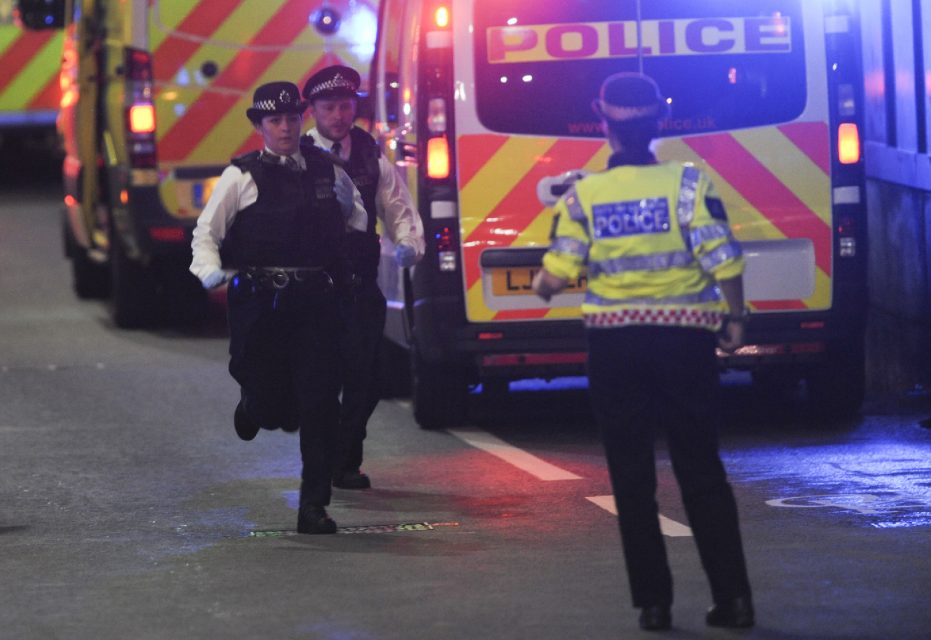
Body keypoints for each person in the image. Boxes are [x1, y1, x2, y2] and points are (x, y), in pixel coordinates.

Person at [532, 72, 754, 631]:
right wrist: (734, 317)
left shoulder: (586, 193)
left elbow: (556, 276)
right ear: (660, 122)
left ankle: (654, 606)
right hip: (686, 343)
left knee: (631, 476)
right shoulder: (688, 184)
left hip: (615, 348)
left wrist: (544, 281)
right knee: (701, 467)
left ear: (603, 122)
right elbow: (723, 258)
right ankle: (734, 601)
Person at [190, 81, 368, 535]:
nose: (286, 127)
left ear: (302, 119)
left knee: (320, 402)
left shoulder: (328, 171)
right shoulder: (242, 176)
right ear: (259, 126)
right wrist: (210, 271)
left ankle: (313, 508)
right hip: (263, 306)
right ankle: (254, 407)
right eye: (275, 120)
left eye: (292, 118)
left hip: (316, 306)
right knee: (275, 409)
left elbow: (358, 220)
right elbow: (206, 234)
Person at [301, 65, 424, 490]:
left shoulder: (371, 156)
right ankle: (329, 462)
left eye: (346, 105)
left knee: (367, 380)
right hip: (313, 290)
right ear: (312, 111)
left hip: (358, 284)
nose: (338, 114)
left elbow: (396, 205)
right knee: (320, 381)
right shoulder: (297, 159)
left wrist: (407, 243)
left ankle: (345, 460)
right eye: (329, 106)